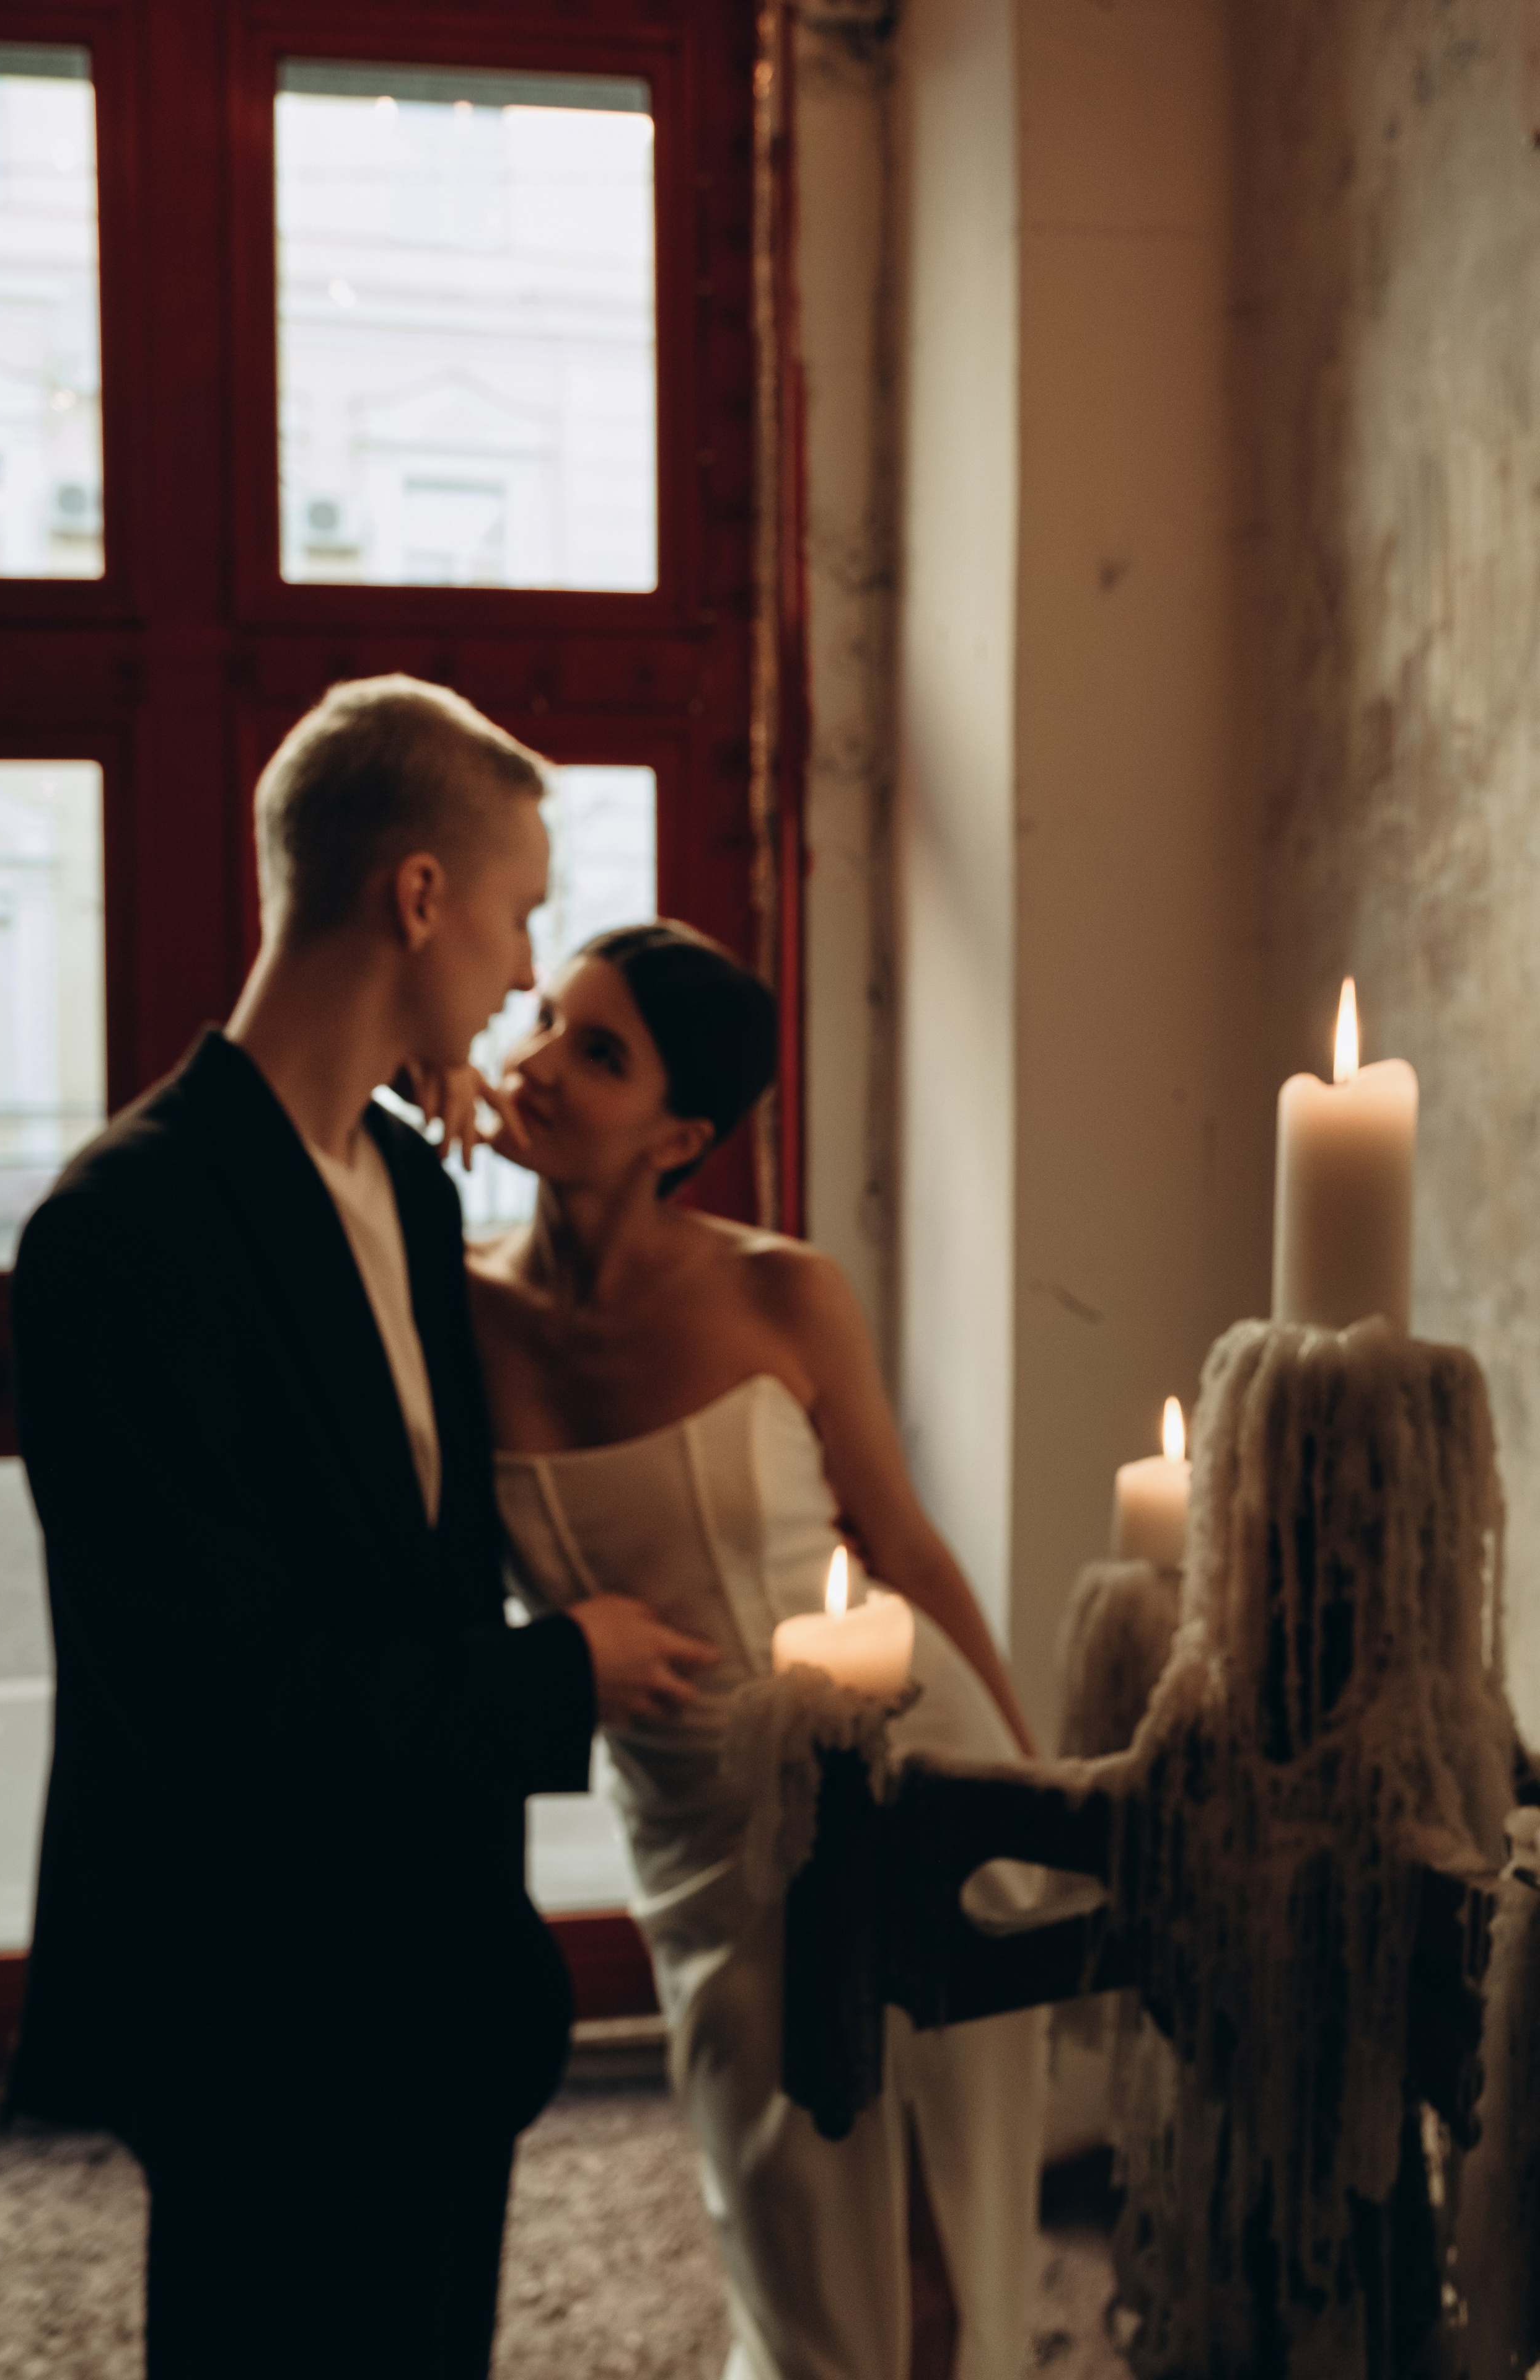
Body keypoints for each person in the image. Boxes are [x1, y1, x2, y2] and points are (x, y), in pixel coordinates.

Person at [7, 679, 716, 2379]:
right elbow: (219, 1708)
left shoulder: (406, 1183)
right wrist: (570, 1674)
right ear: (417, 896)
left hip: (432, 1986)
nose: (528, 968)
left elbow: (402, 1556)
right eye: (521, 907)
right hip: (255, 1998)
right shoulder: (121, 1233)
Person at [438, 920, 1048, 2380]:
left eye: (600, 1053)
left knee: (943, 2223)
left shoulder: (782, 1291)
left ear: (679, 1133)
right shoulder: (454, 1308)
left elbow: (899, 1544)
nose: (536, 1067)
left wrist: (1030, 1784)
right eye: (547, 1028)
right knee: (783, 2224)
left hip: (894, 1769)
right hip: (694, 1828)